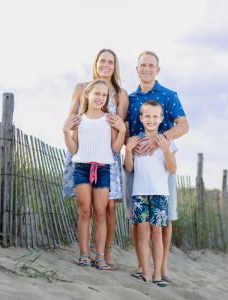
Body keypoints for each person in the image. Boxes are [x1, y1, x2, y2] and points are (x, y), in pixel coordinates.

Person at [125, 51, 189, 283]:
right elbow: (125, 128)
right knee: (137, 220)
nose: (147, 69)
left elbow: (183, 126)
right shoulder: (130, 98)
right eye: (143, 65)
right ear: (137, 68)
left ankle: (161, 270)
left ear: (158, 70)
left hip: (161, 162)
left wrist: (158, 139)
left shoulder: (168, 95)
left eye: (151, 65)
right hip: (136, 163)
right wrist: (129, 147)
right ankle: (143, 268)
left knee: (165, 219)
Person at [63, 49, 129, 266]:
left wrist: (121, 131)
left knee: (106, 209)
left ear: (115, 66)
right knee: (84, 210)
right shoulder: (82, 88)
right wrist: (67, 129)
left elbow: (117, 132)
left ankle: (103, 254)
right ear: (96, 63)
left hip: (107, 158)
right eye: (102, 61)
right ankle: (84, 253)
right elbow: (72, 120)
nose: (106, 65)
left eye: (111, 62)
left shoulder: (120, 93)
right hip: (82, 154)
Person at [125, 101, 177, 287]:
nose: (151, 119)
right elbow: (129, 168)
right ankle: (145, 272)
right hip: (139, 193)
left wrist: (165, 150)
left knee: (157, 233)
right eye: (147, 116)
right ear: (141, 118)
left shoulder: (167, 142)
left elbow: (172, 169)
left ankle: (157, 274)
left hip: (160, 194)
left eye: (155, 116)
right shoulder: (135, 141)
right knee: (142, 232)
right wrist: (129, 150)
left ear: (161, 119)